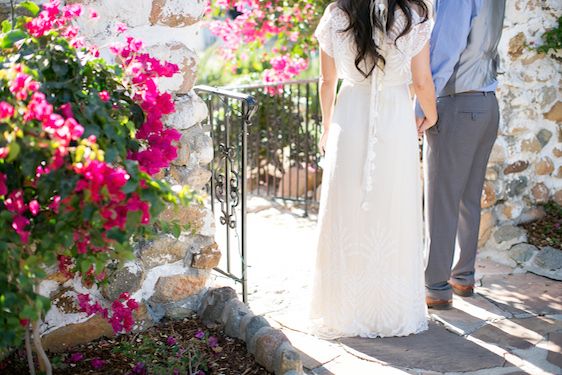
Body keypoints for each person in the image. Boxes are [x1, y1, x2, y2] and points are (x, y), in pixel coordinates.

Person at [310, 0, 436, 338]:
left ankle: (344, 307)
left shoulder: (338, 12)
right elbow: (422, 80)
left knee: (347, 208)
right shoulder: (413, 14)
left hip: (349, 116)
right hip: (395, 118)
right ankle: (389, 307)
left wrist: (326, 127)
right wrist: (431, 113)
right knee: (393, 207)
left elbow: (326, 80)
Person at [419, 0, 506, 310]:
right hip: (487, 104)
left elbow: (444, 51)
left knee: (442, 199)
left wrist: (422, 107)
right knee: (467, 197)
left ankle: (435, 286)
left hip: (457, 102)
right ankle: (463, 276)